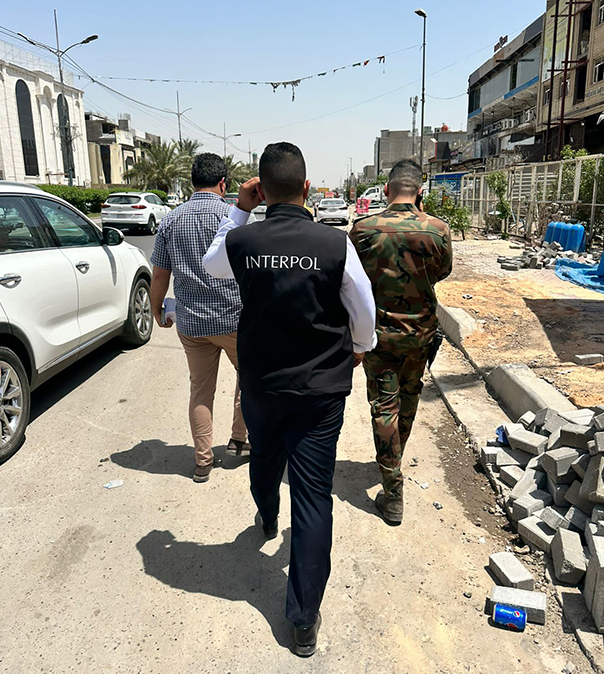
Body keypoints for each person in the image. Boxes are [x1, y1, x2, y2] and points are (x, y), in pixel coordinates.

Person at [203, 142, 376, 657]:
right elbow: (363, 307)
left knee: (264, 457)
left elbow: (212, 266)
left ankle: (266, 514)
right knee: (314, 496)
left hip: (261, 386)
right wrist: (360, 347)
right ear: (306, 187)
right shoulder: (334, 243)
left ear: (261, 189)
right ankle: (303, 621)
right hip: (320, 393)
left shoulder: (242, 239)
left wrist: (239, 209)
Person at [350, 159, 452, 526]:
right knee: (408, 399)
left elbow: (351, 280)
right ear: (420, 192)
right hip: (421, 335)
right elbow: (442, 271)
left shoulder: (363, 230)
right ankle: (393, 459)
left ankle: (393, 490)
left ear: (386, 190)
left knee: (383, 406)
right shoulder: (438, 230)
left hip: (379, 337)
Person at [150, 153, 249, 484]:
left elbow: (160, 275)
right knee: (248, 378)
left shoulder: (170, 220)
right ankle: (238, 441)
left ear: (192, 182)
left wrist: (156, 310)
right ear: (223, 183)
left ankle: (203, 461)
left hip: (192, 324)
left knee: (201, 390)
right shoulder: (232, 218)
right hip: (234, 320)